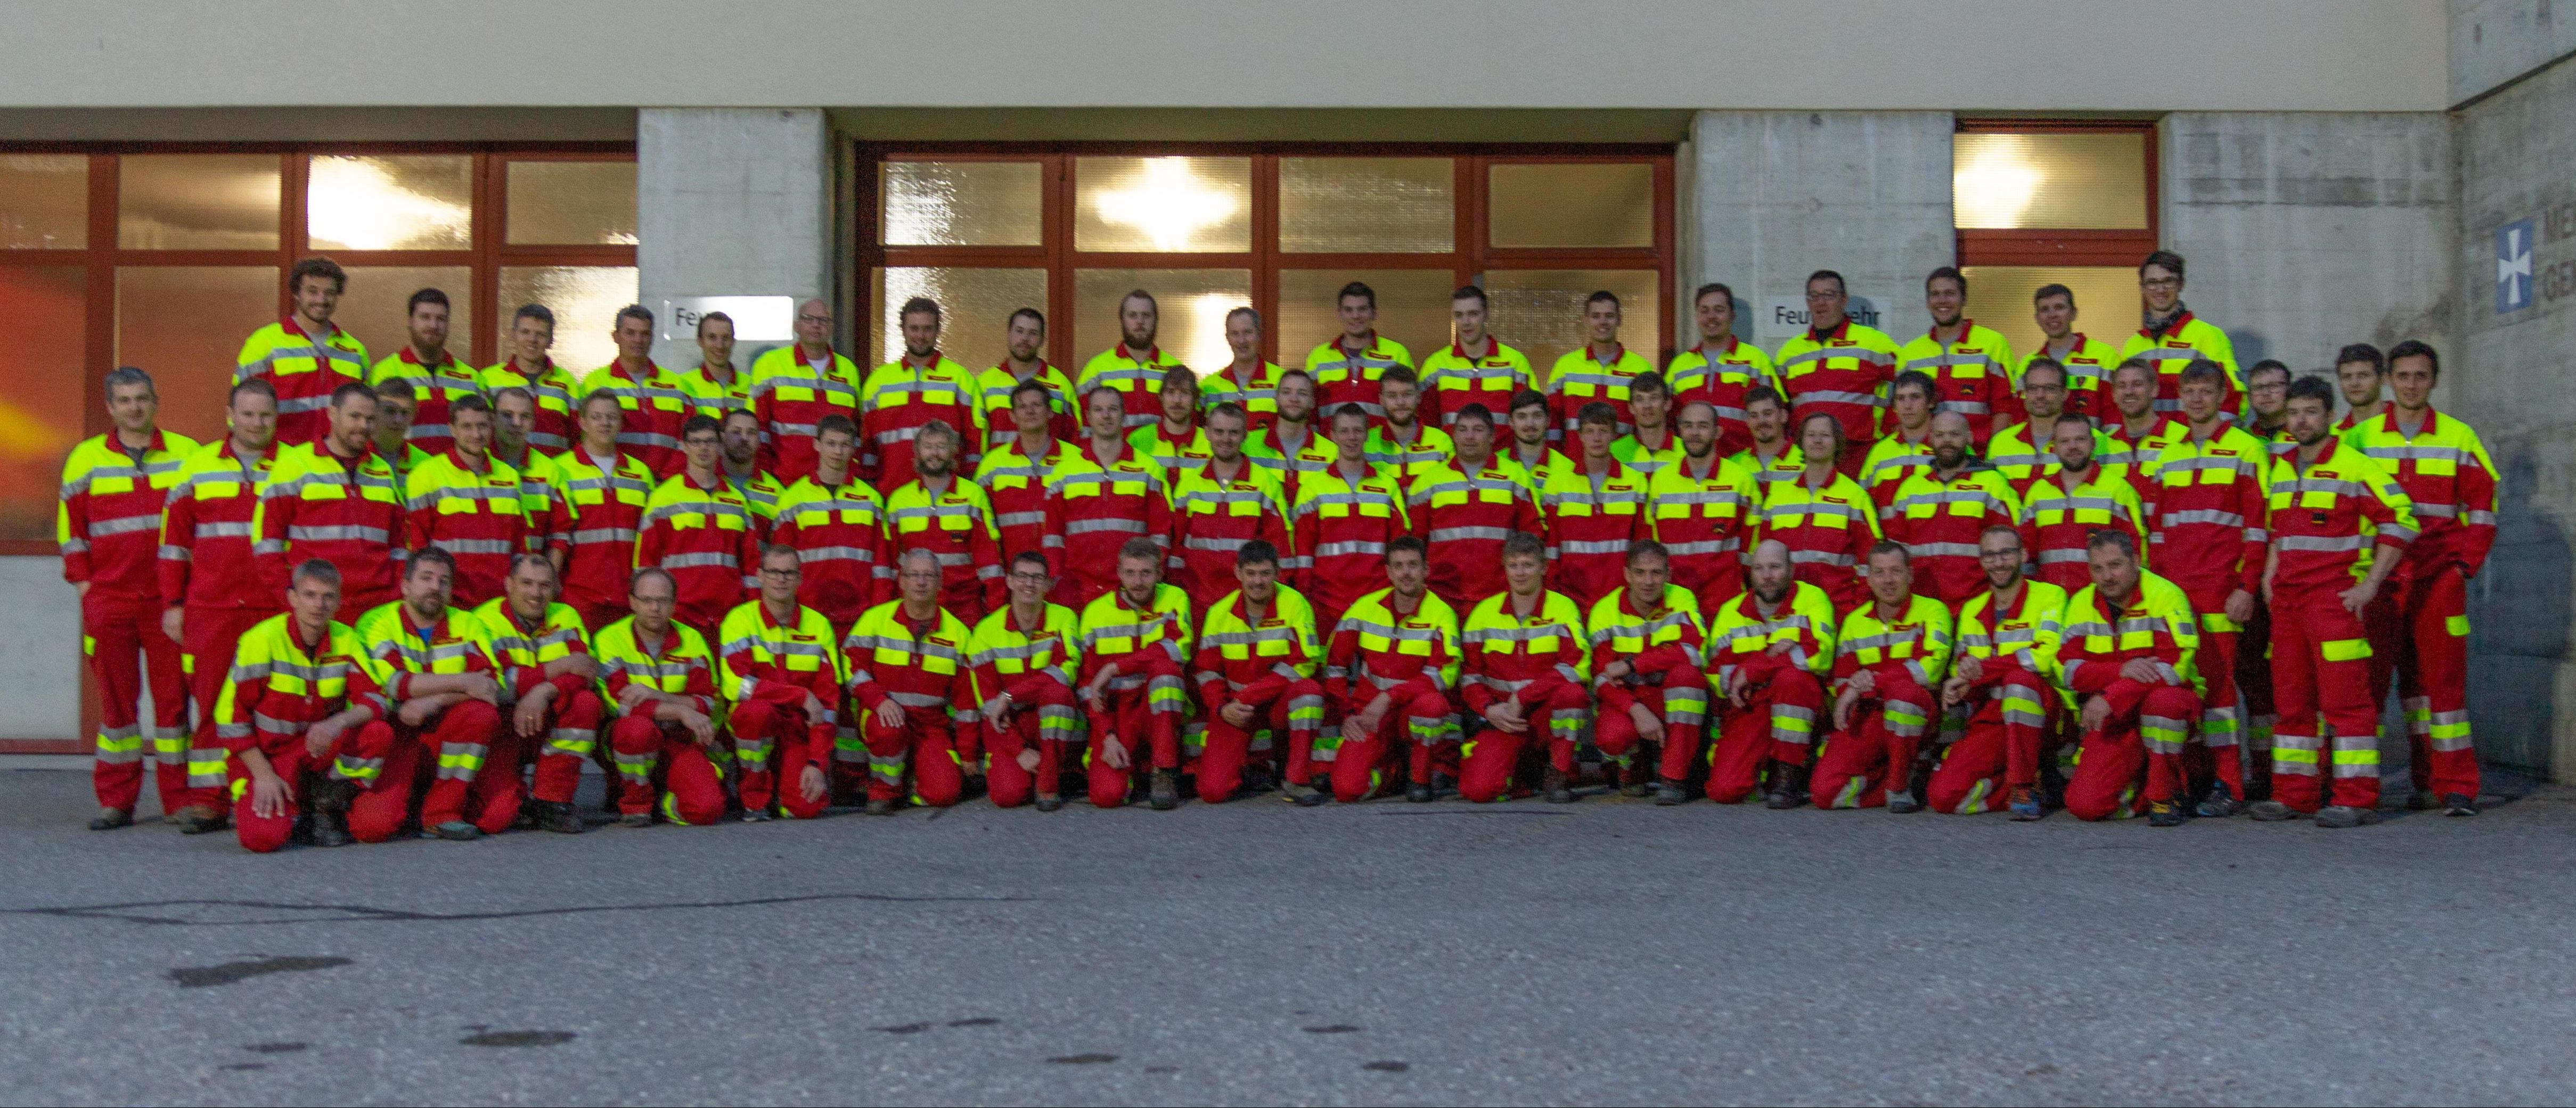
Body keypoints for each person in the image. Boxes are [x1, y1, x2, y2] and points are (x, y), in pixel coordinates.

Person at [2246, 376, 2416, 828]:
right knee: (2292, 702)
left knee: (2346, 704)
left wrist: (2370, 585)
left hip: (2332, 603)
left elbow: (2401, 520)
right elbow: (2279, 532)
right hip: (2286, 605)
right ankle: (2294, 794)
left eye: (2310, 412)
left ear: (2327, 416)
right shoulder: (2279, 467)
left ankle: (2356, 798)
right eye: (2294, 413)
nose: (2301, 421)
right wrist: (2267, 575)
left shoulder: (2353, 465)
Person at [2344, 341, 2494, 816]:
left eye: (2421, 376)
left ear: (2434, 380)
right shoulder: (2359, 438)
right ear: (2389, 379)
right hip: (2381, 579)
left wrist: (2462, 567)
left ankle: (2453, 787)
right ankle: (2358, 788)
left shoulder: (2458, 437)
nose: (2411, 384)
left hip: (2437, 578)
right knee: (2368, 683)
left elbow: (2483, 511)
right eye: (2403, 375)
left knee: (2440, 688)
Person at [61, 366, 200, 830]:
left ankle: (180, 799)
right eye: (125, 400)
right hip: (111, 601)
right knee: (117, 710)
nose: (134, 407)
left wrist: (187, 593)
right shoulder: (86, 459)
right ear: (110, 407)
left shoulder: (187, 454)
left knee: (173, 705)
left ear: (156, 400)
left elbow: (201, 522)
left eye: (142, 398)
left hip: (167, 602)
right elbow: (72, 531)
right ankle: (116, 800)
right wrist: (86, 587)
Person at [2143, 359, 2272, 816]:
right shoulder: (2167, 454)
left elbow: (2258, 528)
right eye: (2189, 391)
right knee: (2184, 688)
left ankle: (2228, 784)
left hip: (2220, 592)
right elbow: (2156, 532)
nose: (2197, 399)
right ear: (2179, 397)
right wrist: (2154, 596)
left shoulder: (2245, 449)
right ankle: (2195, 777)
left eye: (2205, 391)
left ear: (2222, 397)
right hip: (2175, 597)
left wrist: (2246, 587)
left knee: (2218, 692)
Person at [159, 379, 282, 833]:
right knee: (210, 704)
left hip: (272, 608)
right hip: (211, 607)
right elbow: (173, 546)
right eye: (247, 414)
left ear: (276, 416)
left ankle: (262, 793)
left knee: (270, 703)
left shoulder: (293, 467)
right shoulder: (196, 468)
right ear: (231, 415)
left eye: (265, 415)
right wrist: (174, 604)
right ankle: (209, 799)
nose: (256, 423)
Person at [211, 559, 402, 851]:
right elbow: (229, 717)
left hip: (317, 752)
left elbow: (376, 698)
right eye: (310, 595)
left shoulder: (346, 639)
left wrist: (337, 722)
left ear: (339, 601)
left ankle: (323, 804)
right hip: (267, 759)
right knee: (262, 839)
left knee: (377, 733)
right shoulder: (260, 640)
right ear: (292, 598)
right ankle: (296, 809)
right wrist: (262, 775)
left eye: (328, 597)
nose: (319, 605)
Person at [351, 548, 509, 840]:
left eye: (444, 581)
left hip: (448, 731)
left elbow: (490, 686)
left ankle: (442, 813)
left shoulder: (469, 624)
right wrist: (464, 681)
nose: (435, 587)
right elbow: (395, 685)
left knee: (496, 814)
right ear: (406, 585)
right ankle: (406, 799)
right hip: (399, 736)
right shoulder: (376, 623)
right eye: (426, 578)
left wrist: (435, 699)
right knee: (372, 829)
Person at [2055, 530, 2204, 825]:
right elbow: (2067, 671)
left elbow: (2174, 669)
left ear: (2136, 560)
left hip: (2169, 708)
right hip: (2117, 719)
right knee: (2084, 806)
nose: (2107, 576)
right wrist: (2118, 672)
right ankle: (2145, 792)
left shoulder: (2166, 596)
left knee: (2164, 701)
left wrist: (2110, 696)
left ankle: (2166, 794)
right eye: (2097, 569)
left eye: (2115, 565)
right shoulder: (2081, 603)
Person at [1929, 525, 2066, 819]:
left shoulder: (2050, 597)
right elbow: (1962, 668)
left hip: (2043, 717)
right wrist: (1962, 684)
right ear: (1981, 561)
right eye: (1990, 555)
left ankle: (2025, 786)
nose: (1998, 562)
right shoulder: (1972, 610)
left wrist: (1983, 670)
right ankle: (2030, 783)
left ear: (2023, 555)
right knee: (1943, 798)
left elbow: (2044, 658)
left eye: (2006, 553)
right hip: (1991, 720)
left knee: (2020, 681)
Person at [1811, 541, 1953, 811]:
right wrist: (1855, 691)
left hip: (1919, 716)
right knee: (1825, 793)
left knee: (1903, 695)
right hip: (1870, 716)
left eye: (1896, 572)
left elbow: (1929, 669)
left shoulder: (1933, 611)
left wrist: (1871, 682)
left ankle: (1900, 785)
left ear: (1910, 575)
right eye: (1880, 573)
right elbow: (1843, 682)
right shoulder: (1855, 621)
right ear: (1868, 578)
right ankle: (1901, 781)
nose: (1888, 581)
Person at [467, 554, 601, 834]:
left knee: (585, 703)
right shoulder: (483, 621)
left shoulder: (565, 615)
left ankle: (552, 801)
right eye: (527, 584)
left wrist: (543, 690)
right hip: (502, 728)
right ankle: (509, 796)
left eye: (544, 586)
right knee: (496, 819)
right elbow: (495, 686)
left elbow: (586, 672)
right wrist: (559, 666)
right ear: (509, 584)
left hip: (546, 716)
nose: (536, 594)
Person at [1321, 537, 1461, 804]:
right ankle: (1392, 773)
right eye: (1398, 566)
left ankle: (1419, 779)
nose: (1406, 573)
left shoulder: (1442, 614)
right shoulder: (1364, 608)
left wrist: (1388, 698)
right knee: (1347, 790)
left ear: (1426, 570)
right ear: (1388, 571)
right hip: (1368, 715)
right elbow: (1335, 665)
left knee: (1433, 706)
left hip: (1410, 710)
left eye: (1412, 565)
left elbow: (1443, 675)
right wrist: (1347, 714)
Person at [1457, 532, 1592, 804]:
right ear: (1504, 568)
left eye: (1528, 565)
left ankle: (1559, 773)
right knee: (1479, 791)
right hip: (1503, 719)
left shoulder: (1563, 608)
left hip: (1544, 717)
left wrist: (1524, 696)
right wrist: (1488, 709)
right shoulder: (1483, 613)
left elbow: (1577, 664)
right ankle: (1527, 776)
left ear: (1543, 568)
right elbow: (1469, 676)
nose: (1520, 573)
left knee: (1572, 695)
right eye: (1514, 565)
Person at [1190, 540, 1325, 805]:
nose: (1258, 581)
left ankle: (1297, 780)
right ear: (1238, 573)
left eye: (1265, 573)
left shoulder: (1295, 605)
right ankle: (1249, 770)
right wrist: (1221, 708)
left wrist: (1249, 696)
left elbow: (1305, 662)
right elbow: (1207, 672)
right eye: (1251, 574)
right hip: (1235, 709)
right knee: (1212, 792)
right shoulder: (1219, 613)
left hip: (1276, 703)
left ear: (1278, 573)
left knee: (1309, 695)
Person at [255, 382, 403, 625]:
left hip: (377, 612)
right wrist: (292, 601)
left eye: (370, 419)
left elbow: (399, 546)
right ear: (332, 414)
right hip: (316, 610)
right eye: (355, 417)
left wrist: (393, 597)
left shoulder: (383, 472)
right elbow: (266, 544)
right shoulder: (294, 466)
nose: (363, 426)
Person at [845, 548, 980, 812]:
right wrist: (877, 699)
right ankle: (884, 791)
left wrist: (967, 754)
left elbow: (967, 704)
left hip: (931, 725)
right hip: (883, 715)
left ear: (940, 582)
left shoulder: (958, 634)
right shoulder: (875, 620)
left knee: (945, 794)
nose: (921, 582)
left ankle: (910, 782)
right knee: (890, 730)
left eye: (928, 576)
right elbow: (851, 665)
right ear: (902, 580)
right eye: (914, 575)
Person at [717, 545, 846, 820]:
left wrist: (817, 762)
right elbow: (734, 685)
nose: (781, 579)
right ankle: (753, 796)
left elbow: (827, 703)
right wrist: (798, 696)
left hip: (799, 731)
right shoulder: (740, 620)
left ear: (800, 579)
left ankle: (784, 785)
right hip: (759, 725)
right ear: (760, 576)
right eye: (774, 572)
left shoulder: (818, 626)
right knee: (755, 712)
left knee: (806, 808)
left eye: (789, 573)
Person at [1707, 539, 1838, 807]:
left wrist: (1754, 668)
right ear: (1750, 572)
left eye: (1775, 567)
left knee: (1792, 679)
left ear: (1791, 569)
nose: (1767, 576)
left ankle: (1787, 775)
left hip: (1799, 701)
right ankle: (1765, 766)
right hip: (1750, 706)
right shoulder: (1730, 612)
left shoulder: (1812, 599)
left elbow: (1819, 656)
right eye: (1759, 569)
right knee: (1725, 791)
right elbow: (1717, 673)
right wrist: (1778, 656)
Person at [595, 567, 724, 827]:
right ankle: (636, 803)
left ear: (674, 603)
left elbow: (708, 702)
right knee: (636, 729)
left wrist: (657, 695)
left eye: (663, 601)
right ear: (632, 602)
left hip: (679, 741)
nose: (655, 608)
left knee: (707, 808)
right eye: (646, 600)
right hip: (627, 741)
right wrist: (681, 710)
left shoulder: (691, 639)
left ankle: (661, 803)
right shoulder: (609, 639)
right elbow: (622, 706)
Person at [1586, 541, 1712, 805]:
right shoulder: (1605, 611)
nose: (1648, 581)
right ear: (1627, 575)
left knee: (1688, 678)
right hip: (1628, 702)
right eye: (1640, 573)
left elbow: (1695, 653)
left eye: (1656, 573)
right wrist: (1636, 710)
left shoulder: (1682, 599)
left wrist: (1633, 664)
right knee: (1613, 736)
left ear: (1668, 575)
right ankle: (1634, 766)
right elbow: (1600, 678)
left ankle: (1674, 778)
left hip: (1668, 698)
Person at [1075, 539, 1195, 810]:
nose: (1138, 581)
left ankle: (1164, 771)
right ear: (1118, 573)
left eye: (1146, 573)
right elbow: (1087, 685)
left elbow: (1176, 649)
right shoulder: (1096, 613)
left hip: (1158, 711)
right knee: (1107, 797)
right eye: (1130, 573)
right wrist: (1107, 735)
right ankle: (1133, 771)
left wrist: (1115, 667)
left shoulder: (1175, 598)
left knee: (1166, 671)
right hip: (1119, 713)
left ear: (1159, 574)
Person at [968, 551, 1086, 810]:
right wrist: (1018, 749)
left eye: (1037, 578)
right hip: (1008, 726)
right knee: (1008, 796)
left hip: (1050, 719)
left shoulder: (1064, 618)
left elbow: (1066, 672)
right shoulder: (986, 631)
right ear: (1009, 581)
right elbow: (989, 705)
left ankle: (1047, 785)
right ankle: (1036, 769)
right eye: (1022, 576)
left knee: (1059, 695)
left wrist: (1009, 695)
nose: (1029, 584)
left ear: (1047, 584)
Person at [634, 415, 760, 639]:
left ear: (721, 446)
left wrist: (751, 610)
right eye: (696, 442)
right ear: (683, 446)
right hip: (680, 615)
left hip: (730, 616)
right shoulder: (663, 498)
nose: (703, 448)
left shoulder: (738, 500)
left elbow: (751, 564)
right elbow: (646, 562)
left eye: (710, 442)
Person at [1406, 403, 1541, 611]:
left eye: (1478, 430)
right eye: (1463, 430)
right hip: (1441, 596)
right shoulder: (1429, 482)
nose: (1470, 436)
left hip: (1500, 597)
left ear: (1492, 436)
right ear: (1454, 435)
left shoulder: (1516, 477)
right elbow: (1414, 541)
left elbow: (1533, 535)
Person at [1291, 404, 1412, 632]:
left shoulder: (1387, 486)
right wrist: (1305, 594)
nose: (1351, 438)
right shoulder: (1312, 488)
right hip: (1326, 602)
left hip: (1377, 600)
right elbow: (1303, 550)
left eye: (1357, 431)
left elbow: (1400, 545)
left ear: (1367, 434)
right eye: (1344, 431)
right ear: (1333, 436)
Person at [1046, 387, 1172, 605]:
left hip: (1132, 590)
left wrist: (1147, 578)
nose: (1106, 416)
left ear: (1124, 415)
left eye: (1113, 409)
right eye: (1099, 410)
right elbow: (1052, 535)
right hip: (1077, 590)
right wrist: (1058, 582)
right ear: (1088, 417)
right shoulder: (1064, 472)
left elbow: (1161, 532)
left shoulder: (1148, 470)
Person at [1880, 411, 2020, 605]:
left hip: (1977, 602)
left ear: (1969, 438)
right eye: (1940, 435)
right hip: (1922, 605)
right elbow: (1897, 552)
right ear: (1930, 439)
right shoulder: (1911, 489)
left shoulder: (1992, 484)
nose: (1947, 441)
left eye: (1954, 435)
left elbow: (2013, 545)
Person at [771, 414, 891, 638]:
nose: (838, 452)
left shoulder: (870, 500)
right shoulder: (793, 500)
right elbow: (781, 565)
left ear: (854, 448)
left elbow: (882, 564)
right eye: (831, 444)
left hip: (861, 616)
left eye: (845, 445)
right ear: (817, 445)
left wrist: (878, 613)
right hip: (809, 615)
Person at [402, 394, 527, 608]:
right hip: (450, 601)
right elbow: (418, 549)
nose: (476, 434)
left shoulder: (509, 477)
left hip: (500, 603)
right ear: (452, 429)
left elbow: (519, 547)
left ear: (492, 425)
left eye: (482, 426)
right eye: (467, 427)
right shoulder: (425, 476)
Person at [1773, 269, 1901, 478]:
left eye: (1829, 295)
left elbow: (1911, 386)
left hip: (1860, 458)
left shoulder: (1876, 343)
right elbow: (1779, 410)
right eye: (1814, 296)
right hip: (1806, 460)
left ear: (1844, 300)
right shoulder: (1788, 353)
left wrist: (1889, 433)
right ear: (1807, 302)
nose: (1821, 303)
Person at [1170, 401, 1293, 611]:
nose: (1226, 439)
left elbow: (1280, 549)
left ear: (1245, 435)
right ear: (1207, 433)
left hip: (1248, 604)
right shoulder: (1189, 484)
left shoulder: (1265, 484)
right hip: (1197, 601)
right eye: (1219, 432)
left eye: (1233, 433)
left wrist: (1269, 601)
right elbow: (1176, 547)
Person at [547, 391, 655, 630]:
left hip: (629, 597)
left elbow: (651, 539)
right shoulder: (559, 470)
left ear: (620, 422)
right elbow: (555, 536)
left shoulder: (640, 474)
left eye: (611, 417)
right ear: (582, 422)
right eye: (597, 417)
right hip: (578, 597)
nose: (605, 423)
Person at [236, 257, 369, 447]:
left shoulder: (355, 351)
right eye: (312, 291)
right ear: (297, 294)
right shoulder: (264, 344)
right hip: (281, 463)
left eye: (329, 293)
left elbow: (367, 414)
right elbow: (240, 409)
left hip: (335, 465)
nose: (321, 300)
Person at [881, 419, 1005, 621]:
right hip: (914, 608)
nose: (934, 453)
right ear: (917, 451)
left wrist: (995, 610)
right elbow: (891, 563)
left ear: (953, 451)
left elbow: (990, 559)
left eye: (941, 447)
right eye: (928, 447)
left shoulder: (973, 496)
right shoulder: (899, 500)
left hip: (964, 606)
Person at [1755, 413, 1879, 613]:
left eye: (1825, 435)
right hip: (1787, 610)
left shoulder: (1856, 497)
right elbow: (1763, 556)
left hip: (1839, 608)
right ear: (1801, 442)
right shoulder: (1777, 497)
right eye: (1811, 435)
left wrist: (1858, 608)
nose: (1818, 441)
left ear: (1837, 442)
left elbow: (1871, 560)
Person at [1646, 400, 1762, 614]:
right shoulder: (1660, 481)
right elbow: (1653, 544)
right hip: (1675, 599)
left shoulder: (1741, 481)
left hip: (1726, 599)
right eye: (1688, 426)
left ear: (1718, 432)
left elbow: (1752, 548)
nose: (1695, 433)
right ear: (1680, 430)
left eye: (1703, 426)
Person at [861, 296, 984, 489]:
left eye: (927, 329)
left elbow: (974, 443)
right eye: (914, 329)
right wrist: (871, 487)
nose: (920, 336)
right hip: (892, 496)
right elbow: (866, 444)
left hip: (947, 498)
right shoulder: (878, 382)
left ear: (938, 330)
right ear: (903, 329)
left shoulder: (961, 380)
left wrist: (966, 487)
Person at [1538, 401, 1649, 609]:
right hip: (1570, 599)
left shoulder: (1636, 483)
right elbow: (1551, 547)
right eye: (1590, 431)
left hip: (1621, 600)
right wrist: (1555, 595)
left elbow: (1641, 544)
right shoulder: (1557, 485)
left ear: (1614, 435)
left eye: (1603, 431)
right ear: (1579, 435)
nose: (1596, 438)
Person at [2018, 416, 2147, 593]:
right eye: (2065, 441)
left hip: (2099, 603)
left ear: (2093, 444)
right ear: (2054, 447)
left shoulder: (2118, 490)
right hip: (2049, 604)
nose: (2073, 447)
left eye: (2080, 440)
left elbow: (2137, 552)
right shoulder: (2038, 493)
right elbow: (2024, 556)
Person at [1898, 267, 2019, 445]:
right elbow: (1899, 412)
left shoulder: (1993, 343)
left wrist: (1992, 454)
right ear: (1927, 301)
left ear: (1964, 299)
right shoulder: (1909, 352)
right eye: (1935, 294)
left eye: (1950, 294)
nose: (1942, 301)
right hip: (1927, 458)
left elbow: (2005, 406)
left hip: (1977, 457)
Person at [749, 297, 863, 482]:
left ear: (832, 327)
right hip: (785, 482)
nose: (816, 325)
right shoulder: (770, 365)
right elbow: (756, 428)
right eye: (808, 319)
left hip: (836, 484)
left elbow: (857, 430)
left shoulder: (848, 370)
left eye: (823, 320)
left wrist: (854, 473)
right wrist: (767, 477)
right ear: (796, 325)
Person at [2118, 251, 2242, 414]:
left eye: (2168, 281)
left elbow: (2235, 396)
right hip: (2149, 439)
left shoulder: (2208, 335)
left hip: (2192, 439)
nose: (2160, 290)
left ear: (2181, 284)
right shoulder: (2133, 345)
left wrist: (2213, 437)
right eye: (2152, 283)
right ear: (2142, 287)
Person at [577, 305, 693, 477]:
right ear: (616, 336)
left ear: (652, 338)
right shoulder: (594, 383)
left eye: (645, 334)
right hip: (617, 483)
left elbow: (691, 440)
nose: (638, 340)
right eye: (630, 333)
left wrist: (666, 478)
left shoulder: (677, 386)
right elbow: (585, 439)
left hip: (667, 484)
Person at [1665, 282, 1778, 457]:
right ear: (1697, 316)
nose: (1711, 317)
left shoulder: (1756, 361)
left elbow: (1776, 418)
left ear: (1732, 316)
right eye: (1705, 311)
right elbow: (1667, 420)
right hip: (1692, 465)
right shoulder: (1679, 366)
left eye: (1719, 310)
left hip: (1744, 464)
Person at [975, 377, 1080, 565]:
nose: (1030, 411)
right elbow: (980, 529)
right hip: (1012, 576)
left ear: (1050, 412)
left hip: (1064, 574)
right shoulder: (992, 465)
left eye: (1037, 405)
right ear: (1012, 416)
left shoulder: (1076, 460)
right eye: (1023, 407)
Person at [368, 288, 480, 456]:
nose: (433, 326)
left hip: (456, 479)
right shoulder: (384, 373)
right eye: (425, 317)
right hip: (406, 475)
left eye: (441, 319)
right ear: (410, 321)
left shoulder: (471, 377)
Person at [1985, 359, 2115, 496]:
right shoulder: (2000, 443)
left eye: (2050, 389)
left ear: (2065, 393)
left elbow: (2108, 490)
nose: (2040, 395)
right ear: (2025, 393)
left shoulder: (2094, 439)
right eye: (2033, 388)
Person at [1418, 286, 1533, 430]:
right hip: (1453, 453)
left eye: (1473, 314)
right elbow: (1427, 427)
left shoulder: (1515, 363)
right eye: (1459, 315)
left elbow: (1532, 417)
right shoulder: (1435, 365)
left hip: (1503, 453)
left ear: (1486, 314)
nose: (1466, 322)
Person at [1546, 290, 1652, 443]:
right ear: (1586, 320)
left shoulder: (1640, 368)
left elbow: (1647, 423)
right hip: (1574, 464)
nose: (1603, 322)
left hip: (1624, 463)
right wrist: (1556, 461)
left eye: (1609, 316)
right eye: (1596, 316)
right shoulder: (1565, 366)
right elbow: (1553, 420)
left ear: (1619, 320)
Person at [1078, 289, 1189, 432]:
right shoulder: (1097, 369)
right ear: (1122, 320)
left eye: (1146, 316)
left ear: (1156, 320)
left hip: (1160, 453)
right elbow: (1082, 426)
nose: (1140, 322)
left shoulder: (1174, 370)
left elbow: (1189, 424)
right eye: (1132, 315)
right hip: (1114, 454)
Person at [1306, 281, 1414, 424]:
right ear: (1339, 314)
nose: (1356, 316)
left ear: (1374, 313)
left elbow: (1410, 407)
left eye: (1362, 309)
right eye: (1349, 310)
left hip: (1382, 445)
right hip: (1331, 445)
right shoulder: (1318, 357)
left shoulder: (1397, 353)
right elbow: (1309, 411)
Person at [972, 307, 1077, 453]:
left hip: (1050, 473)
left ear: (1042, 340)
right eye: (1019, 331)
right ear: (1009, 335)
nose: (1025, 339)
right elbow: (975, 440)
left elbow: (1074, 437)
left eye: (1033, 333)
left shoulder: (1061, 385)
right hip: (1000, 472)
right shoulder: (985, 384)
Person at [478, 303, 579, 454]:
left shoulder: (566, 382)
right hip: (503, 473)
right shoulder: (488, 378)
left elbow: (577, 436)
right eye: (525, 332)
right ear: (513, 335)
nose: (532, 339)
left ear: (551, 340)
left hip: (552, 475)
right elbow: (480, 430)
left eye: (541, 334)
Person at [2021, 283, 2122, 423]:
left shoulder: (2104, 356)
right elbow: (2021, 418)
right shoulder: (2026, 364)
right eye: (2045, 310)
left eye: (2059, 308)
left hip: (2093, 444)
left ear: (2074, 313)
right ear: (2037, 318)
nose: (2052, 315)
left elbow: (2116, 416)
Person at [1242, 367, 1335, 501]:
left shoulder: (1331, 453)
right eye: (1287, 392)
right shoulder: (1248, 445)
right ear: (1276, 399)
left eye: (1302, 393)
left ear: (1312, 402)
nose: (1294, 399)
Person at [1202, 306, 1291, 431]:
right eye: (1235, 334)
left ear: (1259, 334)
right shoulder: (1208, 386)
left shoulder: (1283, 381)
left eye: (1248, 333)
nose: (1242, 341)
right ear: (1227, 338)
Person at [1859, 371, 1940, 507]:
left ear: (1931, 402)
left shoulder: (1949, 446)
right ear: (1894, 406)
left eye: (1915, 397)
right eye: (1901, 399)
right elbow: (1863, 507)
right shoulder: (1879, 452)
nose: (1907, 406)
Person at [1365, 367, 1454, 480]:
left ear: (1418, 397)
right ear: (1381, 400)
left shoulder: (1441, 442)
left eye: (1407, 394)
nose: (1400, 402)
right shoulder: (1367, 443)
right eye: (1392, 396)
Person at [1130, 365, 1212, 482]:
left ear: (1196, 399)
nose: (1177, 400)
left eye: (1184, 393)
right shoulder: (1138, 440)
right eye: (1170, 392)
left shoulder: (1210, 443)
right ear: (1161, 397)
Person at [673, 310, 756, 420]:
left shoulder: (751, 386)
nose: (719, 346)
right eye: (712, 337)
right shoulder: (683, 384)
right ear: (700, 341)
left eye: (726, 338)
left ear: (733, 342)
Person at [717, 408, 785, 530]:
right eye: (736, 432)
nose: (744, 438)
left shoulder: (776, 491)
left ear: (759, 440)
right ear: (722, 437)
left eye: (751, 433)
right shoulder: (708, 482)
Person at [1608, 371, 1683, 477]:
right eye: (1639, 399)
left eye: (1654, 398)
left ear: (1667, 404)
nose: (1647, 406)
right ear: (1631, 407)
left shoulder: (1686, 452)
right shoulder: (1614, 452)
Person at [1728, 386, 1803, 488]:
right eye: (1754, 416)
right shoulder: (1734, 464)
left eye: (1768, 414)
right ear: (1748, 421)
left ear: (1784, 416)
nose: (1761, 421)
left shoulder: (1806, 461)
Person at [1498, 388, 1572, 487]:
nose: (1530, 424)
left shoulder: (1567, 468)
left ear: (1548, 420)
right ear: (1511, 422)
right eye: (1522, 417)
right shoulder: (1495, 464)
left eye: (1537, 416)